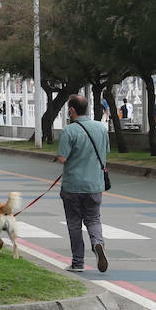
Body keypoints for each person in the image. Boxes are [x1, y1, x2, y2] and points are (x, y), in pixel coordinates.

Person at [55, 94, 109, 273]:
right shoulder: (101, 128)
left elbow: (62, 158)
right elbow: (105, 153)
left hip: (73, 186)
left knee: (74, 224)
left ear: (71, 110)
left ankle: (78, 263)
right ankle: (98, 243)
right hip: (95, 185)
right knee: (94, 219)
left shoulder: (69, 131)